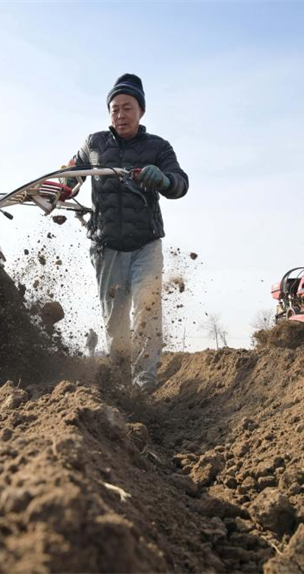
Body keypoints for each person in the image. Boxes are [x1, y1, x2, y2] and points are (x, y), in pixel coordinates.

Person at [70, 73, 189, 391]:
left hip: (145, 244)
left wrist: (163, 179)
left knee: (147, 308)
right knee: (116, 318)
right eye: (115, 109)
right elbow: (73, 173)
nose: (120, 115)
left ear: (141, 111)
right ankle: (120, 378)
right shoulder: (94, 145)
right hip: (107, 246)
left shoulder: (157, 147)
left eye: (127, 108)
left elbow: (180, 182)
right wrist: (61, 188)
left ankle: (144, 380)